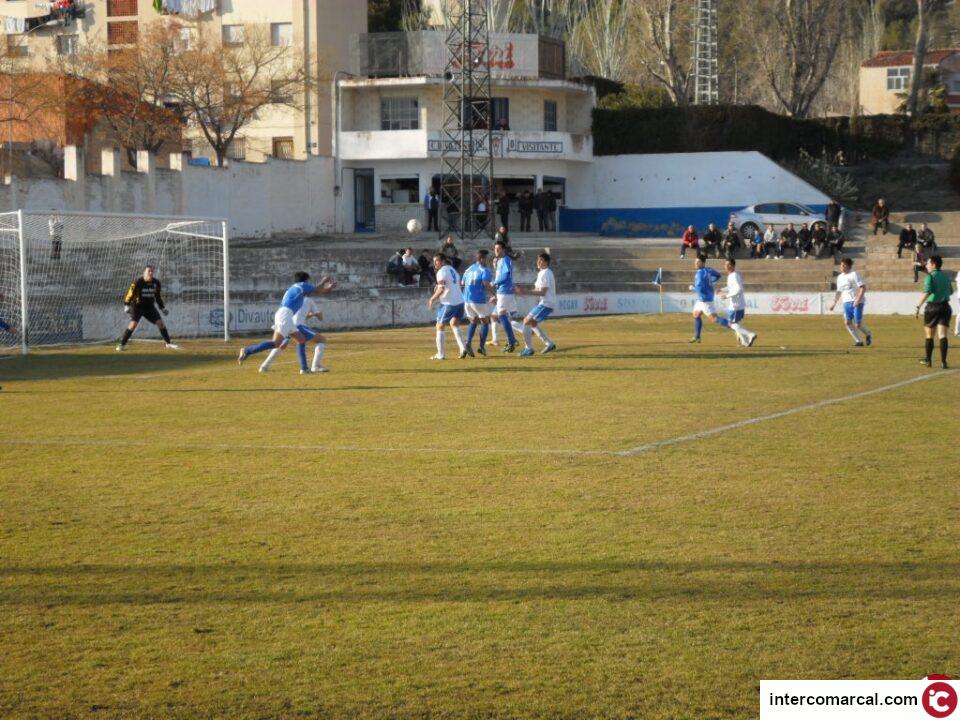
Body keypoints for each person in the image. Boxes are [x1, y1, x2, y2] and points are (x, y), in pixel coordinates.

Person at [239, 272, 336, 373]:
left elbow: (315, 292)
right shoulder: (302, 285)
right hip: (285, 315)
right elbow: (316, 289)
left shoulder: (295, 288)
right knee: (276, 343)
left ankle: (304, 369)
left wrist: (329, 288)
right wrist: (324, 281)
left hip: (286, 315)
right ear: (305, 280)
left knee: (301, 339)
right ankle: (247, 351)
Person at [116, 265, 179, 351]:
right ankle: (122, 345)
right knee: (133, 325)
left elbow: (158, 297)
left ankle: (168, 343)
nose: (151, 273)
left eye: (152, 271)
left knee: (161, 323)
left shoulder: (156, 283)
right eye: (148, 271)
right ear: (144, 273)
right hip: (137, 307)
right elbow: (130, 294)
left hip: (150, 307)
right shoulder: (138, 282)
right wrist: (126, 305)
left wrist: (162, 308)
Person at [515, 252, 558, 356]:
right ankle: (549, 344)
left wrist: (526, 291)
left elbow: (543, 292)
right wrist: (525, 292)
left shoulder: (546, 273)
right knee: (532, 323)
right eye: (538, 260)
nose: (538, 262)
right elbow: (538, 290)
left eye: (541, 260)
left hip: (547, 303)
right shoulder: (542, 273)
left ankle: (528, 348)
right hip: (544, 303)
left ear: (546, 262)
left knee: (526, 321)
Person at [427, 254, 468, 360]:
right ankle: (463, 348)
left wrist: (432, 299)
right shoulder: (452, 270)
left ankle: (440, 354)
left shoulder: (441, 272)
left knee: (439, 326)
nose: (435, 263)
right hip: (460, 301)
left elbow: (441, 289)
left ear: (443, 261)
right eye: (434, 261)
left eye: (437, 261)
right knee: (454, 323)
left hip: (449, 303)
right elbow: (453, 284)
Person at [916, 255, 952, 368]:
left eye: (928, 263)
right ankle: (943, 362)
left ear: (934, 264)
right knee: (943, 335)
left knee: (929, 336)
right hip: (945, 307)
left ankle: (928, 360)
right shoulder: (945, 276)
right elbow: (950, 291)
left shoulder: (930, 276)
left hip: (932, 308)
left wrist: (918, 306)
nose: (926, 265)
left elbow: (927, 292)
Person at [829, 257, 872, 347]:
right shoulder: (840, 277)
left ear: (848, 266)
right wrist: (834, 303)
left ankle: (868, 334)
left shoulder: (854, 274)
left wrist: (858, 299)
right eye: (841, 265)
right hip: (846, 302)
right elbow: (839, 291)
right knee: (847, 322)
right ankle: (858, 341)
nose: (841, 267)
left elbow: (863, 287)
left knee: (857, 324)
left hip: (857, 301)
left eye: (843, 265)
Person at [688, 254, 731, 343]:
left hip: (704, 300)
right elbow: (718, 275)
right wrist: (710, 281)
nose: (695, 263)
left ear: (702, 263)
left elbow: (700, 288)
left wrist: (693, 288)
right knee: (696, 315)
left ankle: (735, 328)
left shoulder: (700, 274)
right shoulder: (708, 269)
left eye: (697, 262)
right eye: (695, 261)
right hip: (704, 298)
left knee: (714, 318)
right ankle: (697, 337)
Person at [460, 249, 495, 356]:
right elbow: (486, 284)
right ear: (481, 259)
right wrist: (494, 294)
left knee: (473, 321)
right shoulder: (484, 270)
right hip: (478, 300)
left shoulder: (469, 269)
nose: (487, 261)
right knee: (485, 322)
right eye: (486, 259)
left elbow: (462, 282)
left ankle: (468, 343)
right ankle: (481, 347)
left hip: (466, 300)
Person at [717, 258, 757, 347]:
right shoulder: (732, 275)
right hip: (737, 304)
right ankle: (745, 342)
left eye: (728, 264)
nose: (726, 266)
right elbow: (731, 287)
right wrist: (722, 289)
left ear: (733, 266)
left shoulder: (734, 276)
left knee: (731, 324)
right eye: (725, 264)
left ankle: (750, 334)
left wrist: (726, 296)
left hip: (736, 305)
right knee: (737, 323)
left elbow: (739, 289)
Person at [490, 239, 518, 353]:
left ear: (503, 249)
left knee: (501, 316)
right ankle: (511, 340)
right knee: (500, 316)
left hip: (504, 291)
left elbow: (506, 276)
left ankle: (512, 341)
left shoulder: (505, 259)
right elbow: (500, 275)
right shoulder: (500, 261)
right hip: (503, 291)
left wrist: (494, 283)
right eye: (495, 249)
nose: (496, 251)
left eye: (498, 249)